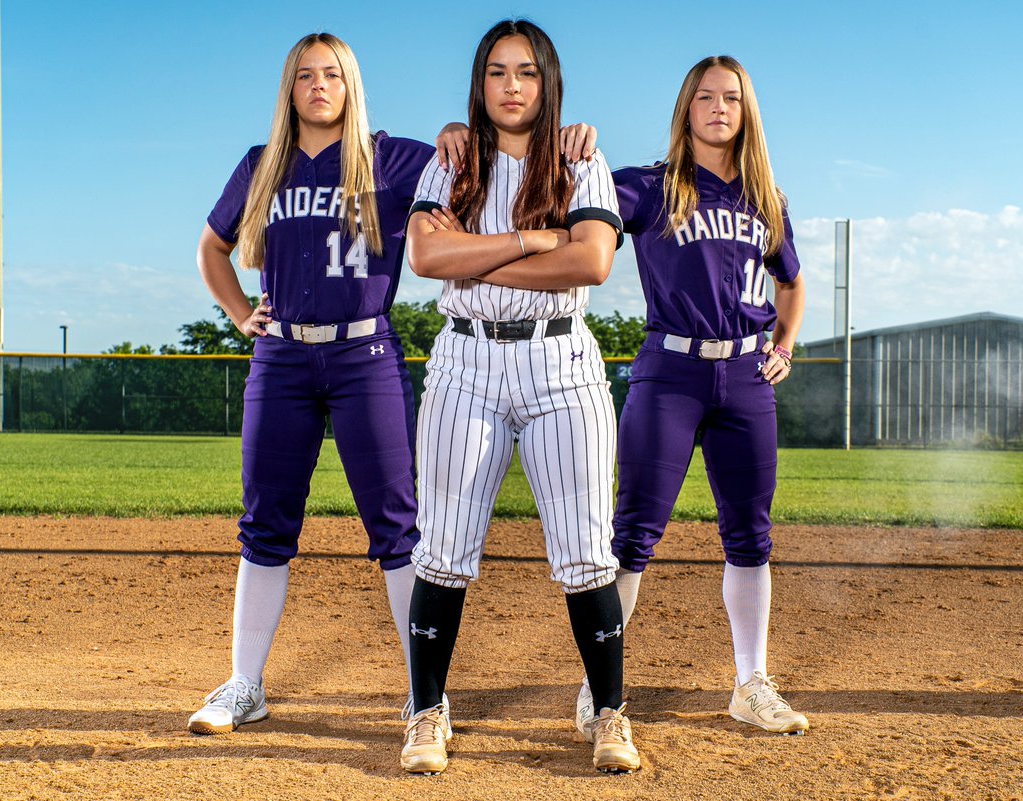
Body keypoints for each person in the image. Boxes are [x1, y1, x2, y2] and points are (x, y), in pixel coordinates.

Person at [189, 33, 597, 736]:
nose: (319, 86)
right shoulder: (262, 165)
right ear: (289, 89)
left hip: (363, 354)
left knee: (398, 524)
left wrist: (521, 136)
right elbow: (212, 247)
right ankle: (244, 683)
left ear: (351, 85)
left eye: (333, 74)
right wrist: (238, 314)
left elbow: (475, 150)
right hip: (282, 357)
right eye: (306, 76)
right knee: (264, 522)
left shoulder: (394, 156)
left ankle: (423, 691)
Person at [399, 19, 640, 775]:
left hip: (560, 362)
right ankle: (427, 714)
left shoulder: (580, 157)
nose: (511, 85)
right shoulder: (452, 160)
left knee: (584, 550)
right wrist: (537, 243)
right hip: (465, 362)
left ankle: (609, 715)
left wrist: (477, 260)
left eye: (527, 72)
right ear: (479, 84)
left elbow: (593, 261)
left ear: (548, 82)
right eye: (497, 71)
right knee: (441, 549)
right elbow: (426, 255)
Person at [601, 55, 809, 736]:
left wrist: (782, 346)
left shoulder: (765, 198)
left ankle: (751, 682)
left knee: (749, 536)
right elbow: (580, 204)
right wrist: (575, 148)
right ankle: (600, 688)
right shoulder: (648, 186)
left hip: (747, 377)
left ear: (746, 113)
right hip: (670, 371)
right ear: (686, 108)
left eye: (732, 98)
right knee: (633, 533)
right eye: (706, 96)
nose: (720, 107)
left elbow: (792, 282)